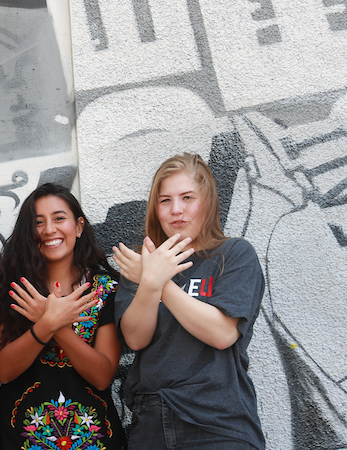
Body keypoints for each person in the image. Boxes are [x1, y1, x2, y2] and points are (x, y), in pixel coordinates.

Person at [113, 153, 265, 450]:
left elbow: (222, 334)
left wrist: (158, 282)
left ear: (207, 202)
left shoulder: (234, 254)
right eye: (165, 200)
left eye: (187, 198)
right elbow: (135, 338)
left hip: (218, 421)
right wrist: (148, 281)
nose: (177, 210)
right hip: (151, 423)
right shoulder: (142, 264)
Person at [0, 183, 126, 450]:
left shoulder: (105, 290)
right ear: (28, 232)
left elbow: (102, 376)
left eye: (59, 218)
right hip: (20, 437)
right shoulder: (7, 289)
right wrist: (45, 325)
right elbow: (4, 371)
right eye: (38, 222)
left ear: (79, 226)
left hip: (92, 439)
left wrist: (56, 326)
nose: (49, 230)